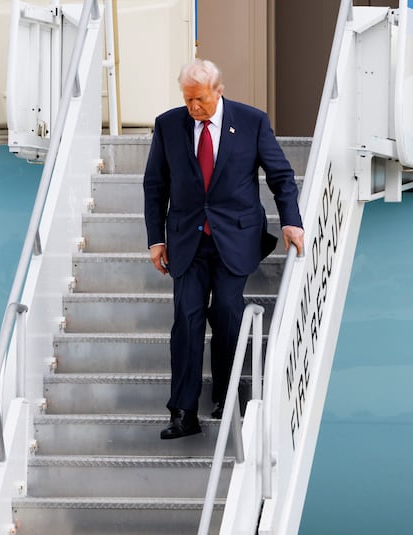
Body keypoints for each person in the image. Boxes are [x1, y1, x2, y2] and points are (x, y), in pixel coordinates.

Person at [143, 59, 304, 440]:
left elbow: (281, 176)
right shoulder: (168, 124)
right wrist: (155, 238)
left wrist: (290, 220)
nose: (193, 107)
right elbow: (155, 185)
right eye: (187, 100)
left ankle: (226, 395)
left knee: (228, 313)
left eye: (199, 99)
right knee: (187, 318)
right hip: (186, 239)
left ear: (219, 90)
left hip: (235, 236)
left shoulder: (252, 121)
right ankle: (183, 412)